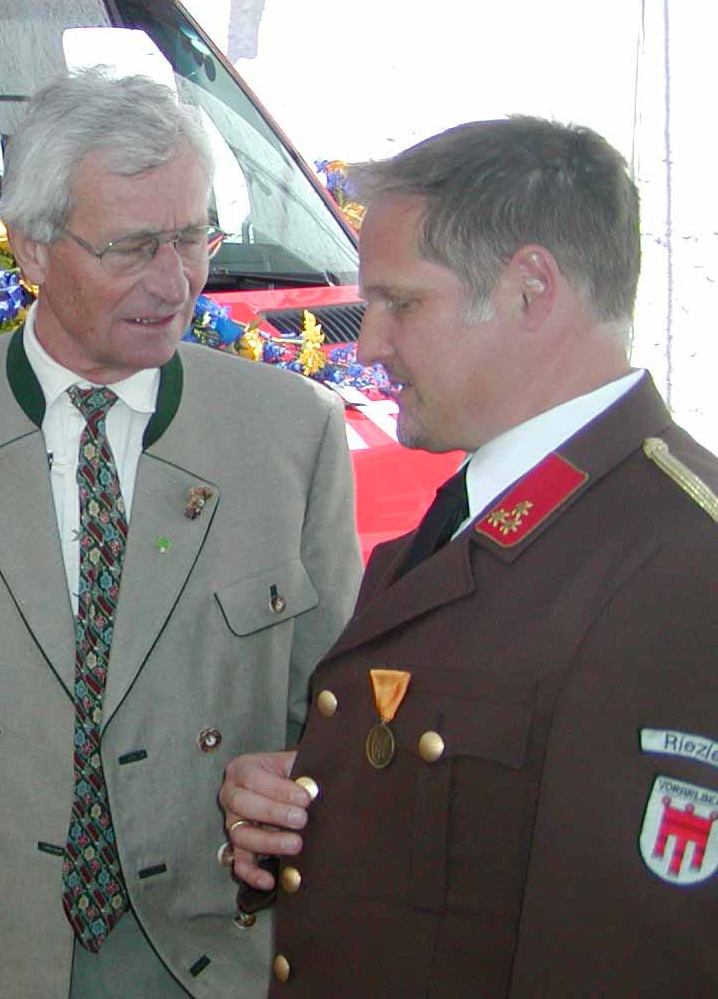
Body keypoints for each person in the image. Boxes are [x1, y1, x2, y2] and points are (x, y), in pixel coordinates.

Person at [0, 69, 363, 999]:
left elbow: (334, 718)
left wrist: (302, 792)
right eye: (132, 247)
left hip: (208, 954)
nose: (174, 284)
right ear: (32, 248)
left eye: (193, 237)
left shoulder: (292, 432)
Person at [219, 116, 718, 994]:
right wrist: (327, 794)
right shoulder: (478, 505)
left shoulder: (682, 567)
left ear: (531, 290)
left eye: (401, 303)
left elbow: (629, 952)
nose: (368, 343)